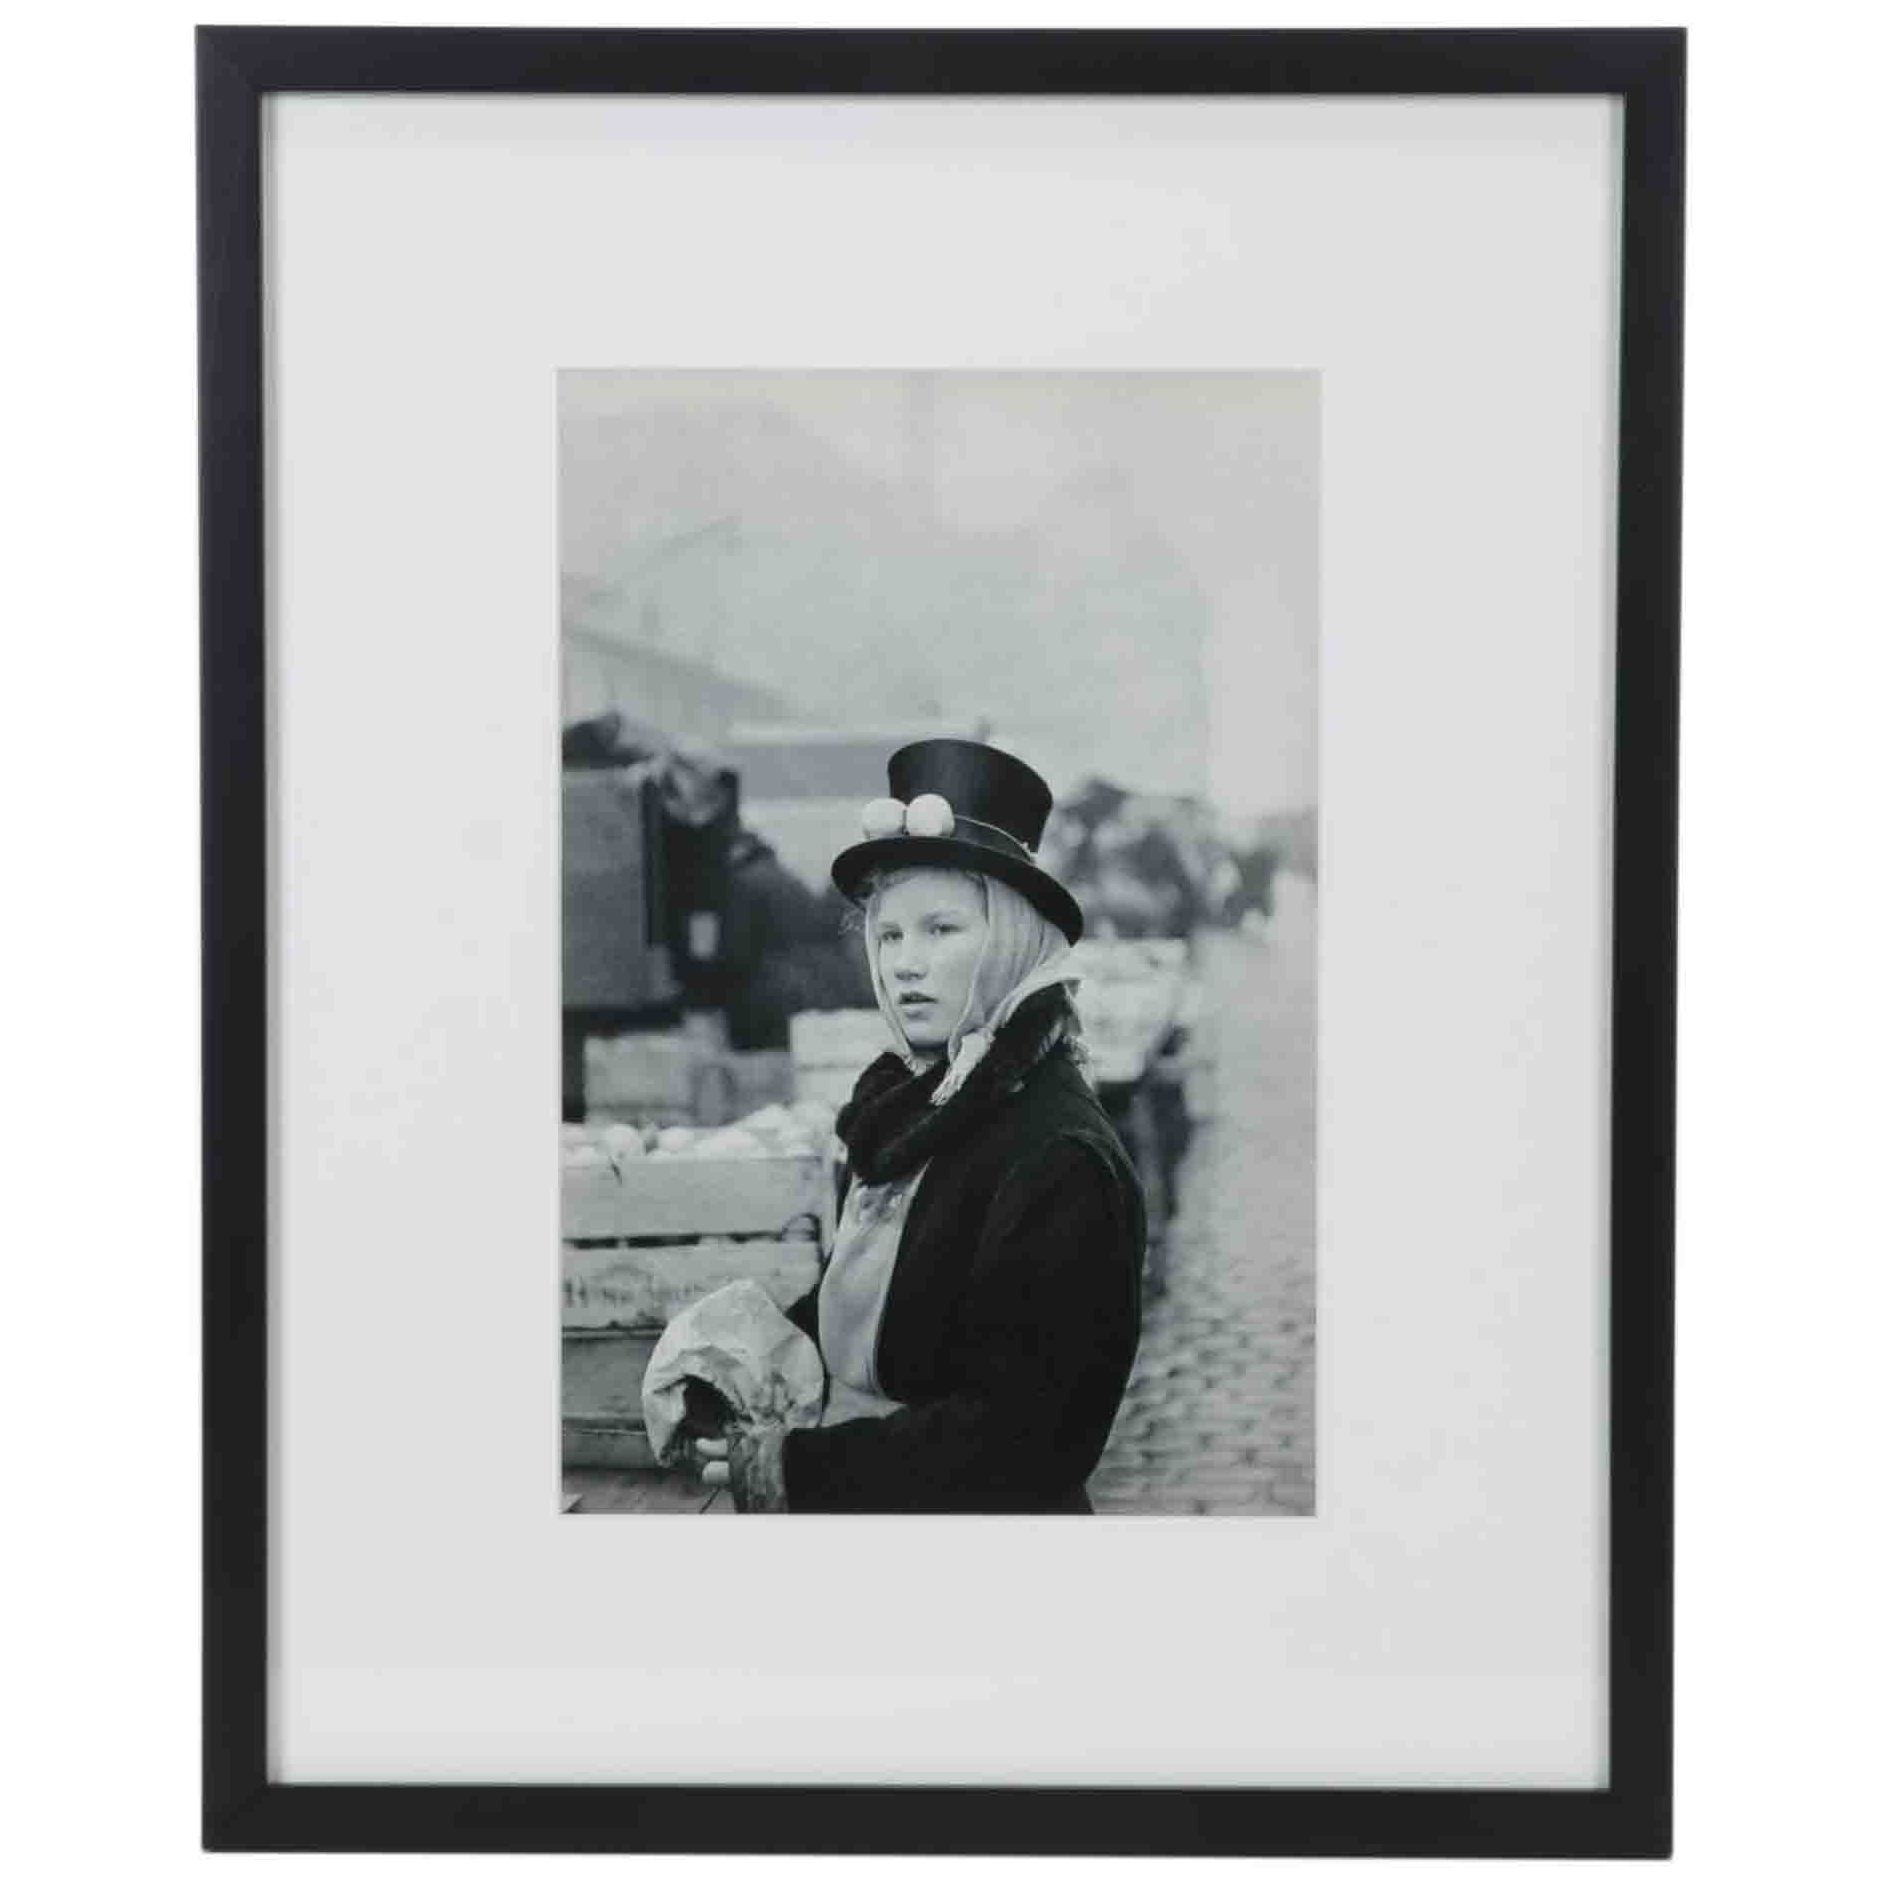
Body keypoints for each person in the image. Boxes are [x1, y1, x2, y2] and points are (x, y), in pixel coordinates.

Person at [694, 738, 1146, 1513]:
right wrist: (751, 1356)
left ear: (1011, 939)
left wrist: (799, 1468)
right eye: (889, 934)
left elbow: (1022, 1439)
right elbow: (893, 1302)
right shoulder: (910, 1107)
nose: (906, 962)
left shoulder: (1055, 1155)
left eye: (941, 930)